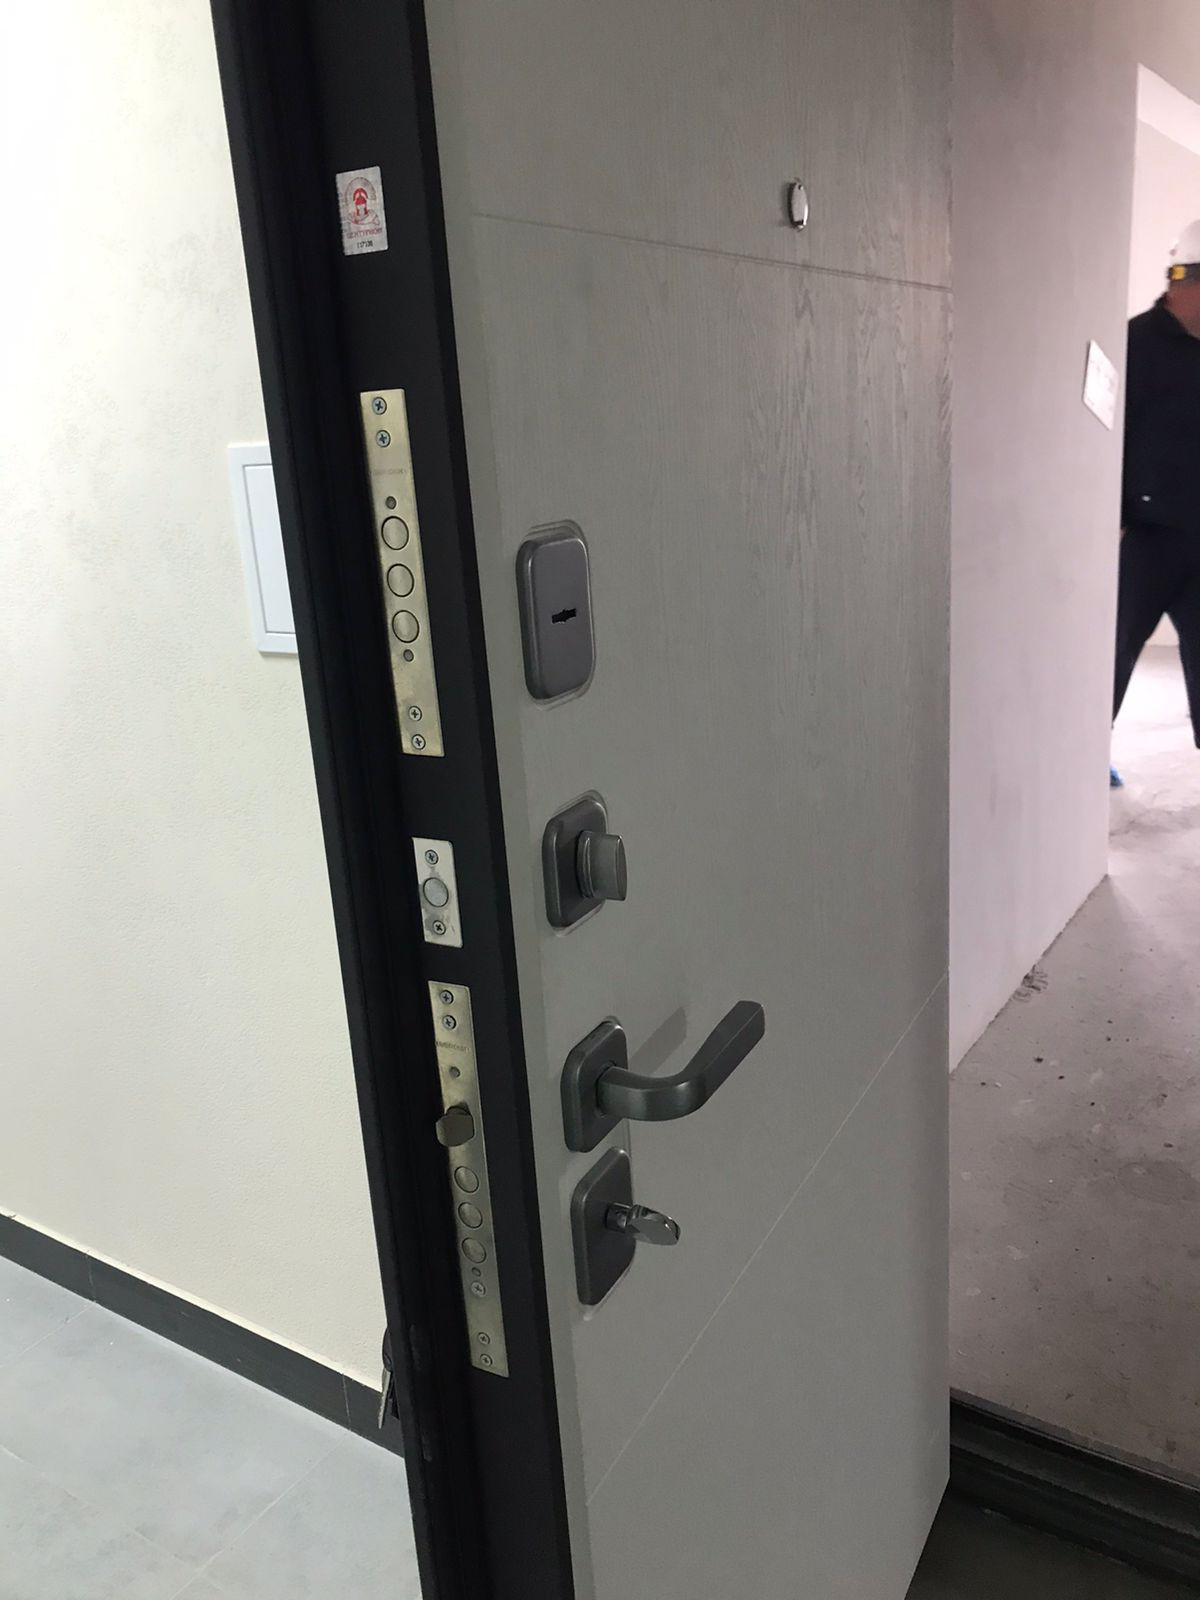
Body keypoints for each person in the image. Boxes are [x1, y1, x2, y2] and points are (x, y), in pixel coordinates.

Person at [1112, 219, 1200, 787]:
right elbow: (1105, 433)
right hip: (1143, 539)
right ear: (1182, 281)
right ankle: (1081, 756)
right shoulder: (1134, 344)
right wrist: (1113, 518)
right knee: (1110, 656)